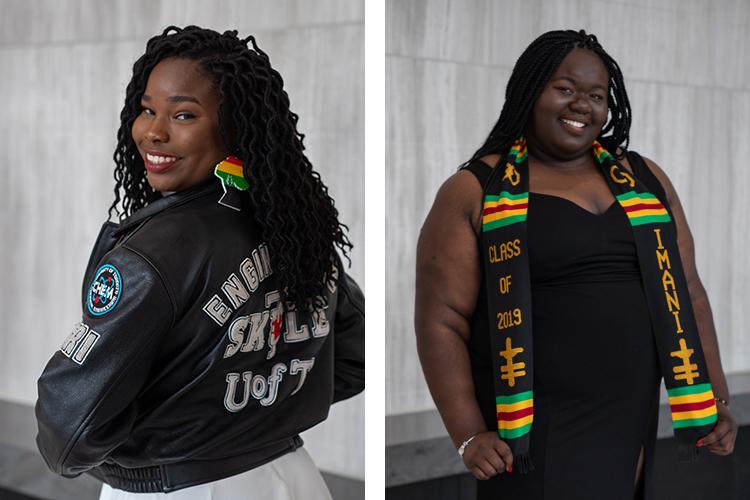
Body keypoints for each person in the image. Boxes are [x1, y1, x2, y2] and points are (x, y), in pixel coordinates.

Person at [35, 26, 365, 500]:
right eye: (147, 109)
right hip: (293, 478)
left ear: (232, 127)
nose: (153, 131)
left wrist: (184, 436)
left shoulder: (152, 254)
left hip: (177, 488)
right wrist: (254, 414)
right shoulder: (296, 228)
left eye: (183, 114)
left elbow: (67, 428)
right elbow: (352, 360)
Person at [415, 29, 736, 500]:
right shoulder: (475, 189)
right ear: (529, 91)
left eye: (596, 95)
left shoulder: (643, 179)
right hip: (530, 430)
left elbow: (687, 291)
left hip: (627, 418)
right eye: (564, 89)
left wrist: (718, 397)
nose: (582, 105)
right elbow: (441, 320)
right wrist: (468, 433)